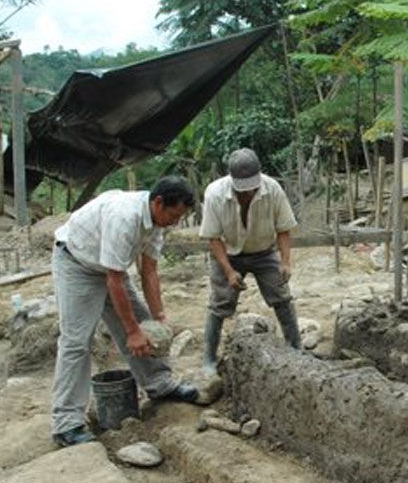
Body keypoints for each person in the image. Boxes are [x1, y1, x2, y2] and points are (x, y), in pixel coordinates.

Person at [50, 175, 201, 447]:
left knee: (144, 320)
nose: (176, 222)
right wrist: (132, 332)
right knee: (76, 340)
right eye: (174, 215)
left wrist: (159, 317)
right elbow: (114, 280)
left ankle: (159, 382)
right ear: (158, 202)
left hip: (107, 267)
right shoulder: (125, 218)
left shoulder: (156, 221)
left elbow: (150, 270)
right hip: (77, 265)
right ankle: (67, 423)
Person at [200, 148, 301, 373]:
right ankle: (208, 358)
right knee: (219, 305)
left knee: (282, 298)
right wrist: (228, 271)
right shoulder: (215, 194)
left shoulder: (272, 189)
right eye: (242, 190)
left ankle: (296, 349)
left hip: (264, 251)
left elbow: (284, 228)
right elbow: (213, 238)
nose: (247, 194)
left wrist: (285, 262)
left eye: (251, 188)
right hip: (227, 253)